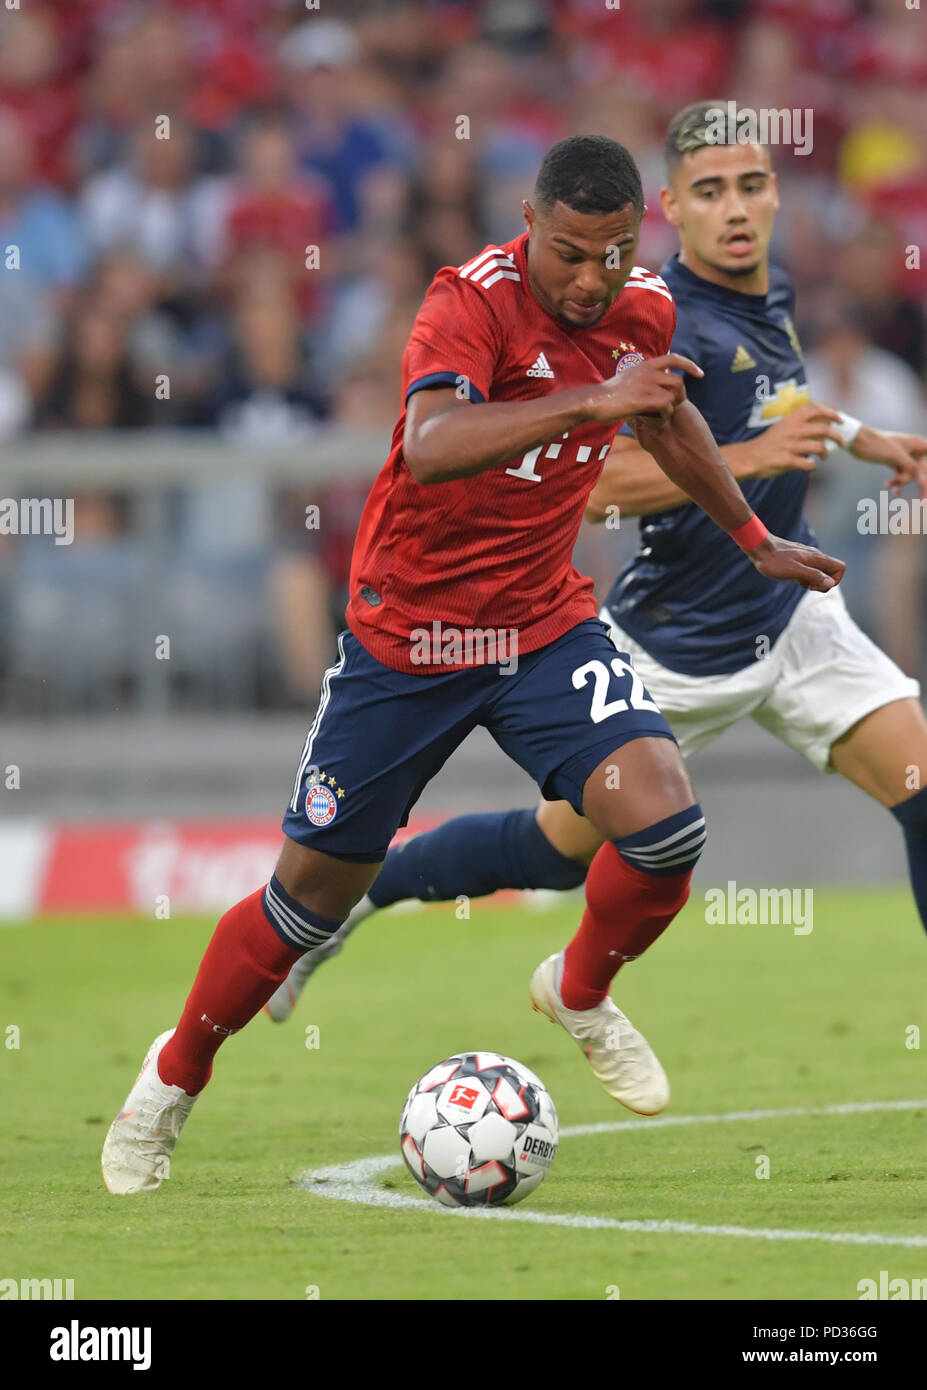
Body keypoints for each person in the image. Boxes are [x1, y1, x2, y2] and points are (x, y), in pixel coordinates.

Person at [102, 133, 842, 1195]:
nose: (593, 281)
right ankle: (168, 1082)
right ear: (530, 226)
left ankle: (578, 991)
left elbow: (668, 417)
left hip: (542, 623)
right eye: (572, 254)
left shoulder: (644, 308)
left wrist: (751, 537)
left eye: (617, 253)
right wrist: (593, 400)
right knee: (306, 900)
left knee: (666, 823)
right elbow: (436, 440)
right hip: (410, 637)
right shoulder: (469, 301)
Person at [268, 103, 927, 1019]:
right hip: (676, 639)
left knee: (922, 786)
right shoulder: (661, 317)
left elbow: (768, 405)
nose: (734, 209)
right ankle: (366, 896)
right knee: (553, 854)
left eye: (750, 185)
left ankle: (565, 987)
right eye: (709, 192)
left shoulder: (763, 293)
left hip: (789, 616)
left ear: (775, 194)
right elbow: (608, 483)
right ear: (670, 209)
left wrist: (858, 435)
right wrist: (751, 464)